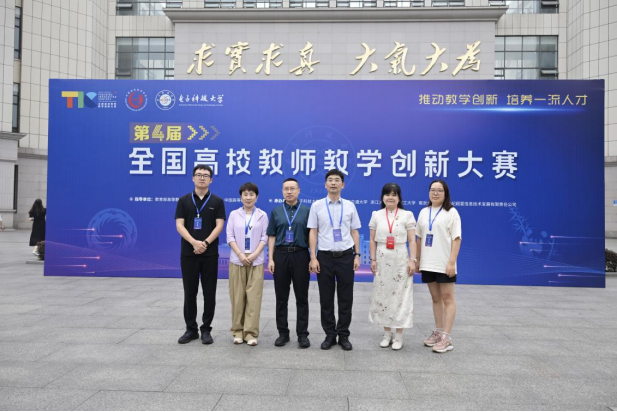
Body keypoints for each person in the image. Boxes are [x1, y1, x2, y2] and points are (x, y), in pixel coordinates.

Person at [308, 169, 362, 351]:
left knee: (346, 298)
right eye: (330, 180)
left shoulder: (350, 206)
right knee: (326, 298)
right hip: (324, 257)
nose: (333, 183)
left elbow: (355, 231)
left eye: (337, 180)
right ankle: (330, 335)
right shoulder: (317, 206)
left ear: (342, 185)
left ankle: (344, 335)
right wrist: (313, 257)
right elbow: (313, 232)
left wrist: (357, 255)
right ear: (325, 185)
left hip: (346, 257)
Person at [175, 165, 226, 345]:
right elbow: (179, 225)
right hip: (188, 253)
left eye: (205, 175)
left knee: (209, 292)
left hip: (209, 253)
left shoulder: (217, 201)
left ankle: (206, 329)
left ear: (211, 180)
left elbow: (219, 226)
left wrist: (205, 243)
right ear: (193, 178)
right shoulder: (183, 200)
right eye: (198, 175)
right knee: (190, 292)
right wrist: (194, 242)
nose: (202, 178)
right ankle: (191, 330)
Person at [368, 183, 417, 351]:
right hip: (382, 259)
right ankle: (387, 334)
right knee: (383, 296)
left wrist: (413, 260)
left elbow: (412, 240)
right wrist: (373, 259)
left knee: (401, 296)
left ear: (399, 198)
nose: (390, 197)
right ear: (382, 197)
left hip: (400, 259)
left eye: (394, 194)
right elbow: (372, 240)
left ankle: (399, 336)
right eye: (387, 194)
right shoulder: (376, 215)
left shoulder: (407, 215)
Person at [416, 179, 462, 354]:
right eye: (432, 190)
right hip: (428, 262)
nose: (435, 193)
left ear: (445, 193)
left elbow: (456, 239)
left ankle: (447, 338)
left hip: (444, 263)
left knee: (447, 298)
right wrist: (418, 259)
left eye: (439, 190)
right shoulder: (423, 212)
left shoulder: (451, 212)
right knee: (436, 298)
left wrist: (451, 262)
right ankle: (439, 331)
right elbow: (420, 237)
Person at [267, 178, 311, 349]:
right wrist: (271, 259)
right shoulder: (276, 211)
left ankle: (302, 334)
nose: (289, 192)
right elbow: (271, 235)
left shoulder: (307, 211)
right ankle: (283, 333)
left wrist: (313, 257)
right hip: (281, 255)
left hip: (300, 255)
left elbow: (312, 235)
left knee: (302, 297)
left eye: (292, 188)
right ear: (282, 191)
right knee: (281, 297)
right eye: (286, 189)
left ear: (299, 190)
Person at [226, 182, 269, 347]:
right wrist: (241, 255)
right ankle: (237, 332)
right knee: (237, 297)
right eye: (245, 194)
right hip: (237, 261)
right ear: (241, 197)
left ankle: (250, 333)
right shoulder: (234, 214)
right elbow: (230, 237)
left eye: (251, 194)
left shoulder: (262, 215)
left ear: (256, 197)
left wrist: (254, 255)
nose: (248, 197)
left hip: (256, 261)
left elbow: (265, 237)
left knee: (254, 298)